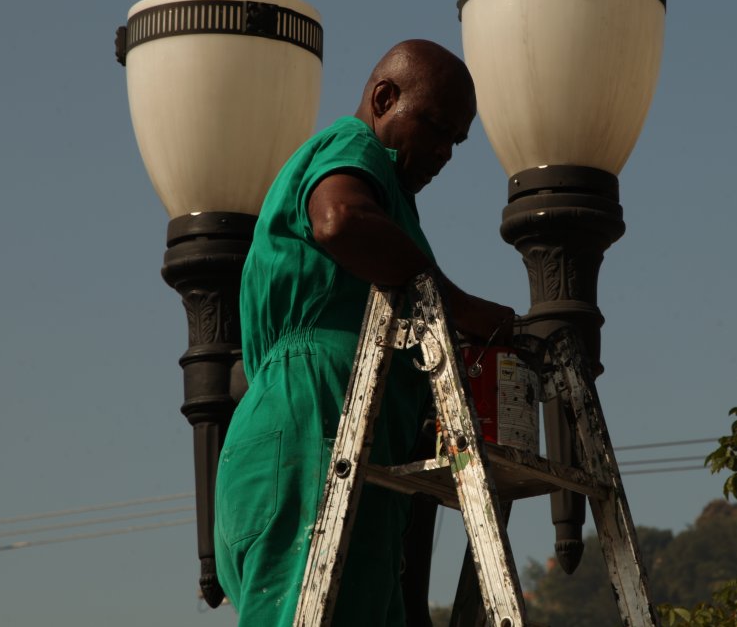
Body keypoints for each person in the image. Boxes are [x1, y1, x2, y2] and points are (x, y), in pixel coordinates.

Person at [214, 39, 515, 626]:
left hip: (343, 436)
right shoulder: (354, 148)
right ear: (383, 98)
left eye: (456, 141)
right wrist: (456, 307)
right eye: (434, 127)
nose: (444, 152)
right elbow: (339, 220)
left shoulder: (394, 203)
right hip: (315, 421)